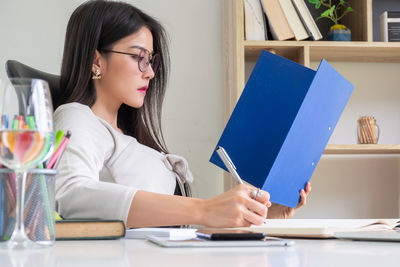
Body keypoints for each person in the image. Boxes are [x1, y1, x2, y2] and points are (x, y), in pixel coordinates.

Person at [54, 0, 311, 228]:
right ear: (96, 60)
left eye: (151, 60)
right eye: (138, 57)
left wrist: (261, 214)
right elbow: (70, 195)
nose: (150, 73)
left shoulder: (130, 138)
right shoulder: (77, 117)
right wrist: (205, 208)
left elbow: (174, 230)